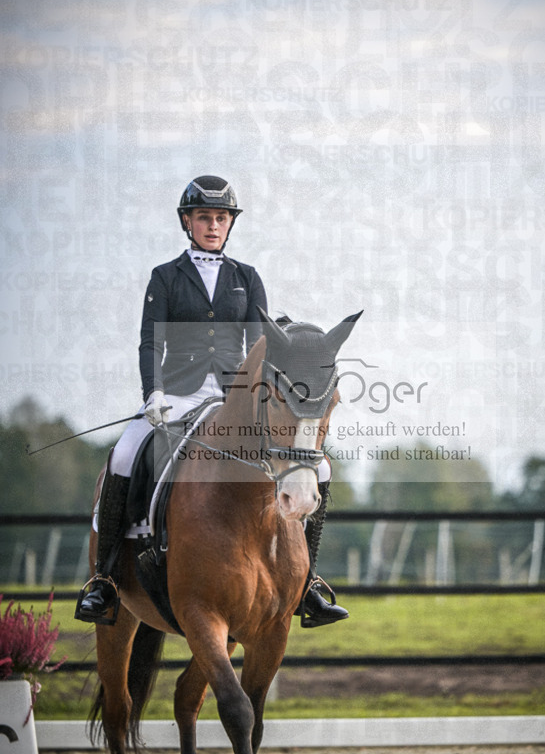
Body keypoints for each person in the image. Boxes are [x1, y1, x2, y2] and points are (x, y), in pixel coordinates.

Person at [75, 175, 348, 629]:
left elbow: (260, 347)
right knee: (124, 454)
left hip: (232, 398)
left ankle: (309, 584)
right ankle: (104, 580)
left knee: (319, 468)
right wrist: (153, 393)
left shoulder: (247, 278)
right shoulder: (165, 277)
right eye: (205, 217)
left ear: (229, 224)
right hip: (176, 396)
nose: (213, 225)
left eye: (221, 218)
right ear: (188, 222)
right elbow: (149, 343)